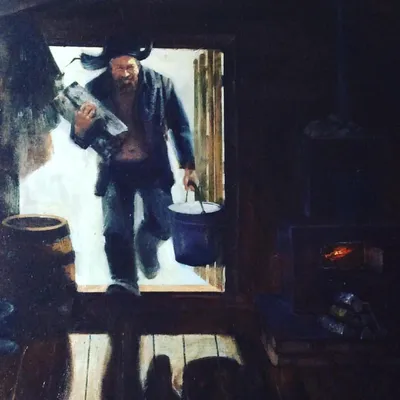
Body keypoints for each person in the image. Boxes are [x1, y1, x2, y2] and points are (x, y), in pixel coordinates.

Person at [70, 34, 197, 295]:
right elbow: (82, 139)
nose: (125, 73)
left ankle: (146, 245)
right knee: (115, 230)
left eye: (130, 67)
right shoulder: (94, 90)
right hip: (114, 170)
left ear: (138, 64)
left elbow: (180, 126)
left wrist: (189, 167)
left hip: (152, 167)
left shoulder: (161, 85)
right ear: (110, 67)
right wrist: (80, 128)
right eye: (119, 68)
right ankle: (124, 282)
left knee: (164, 224)